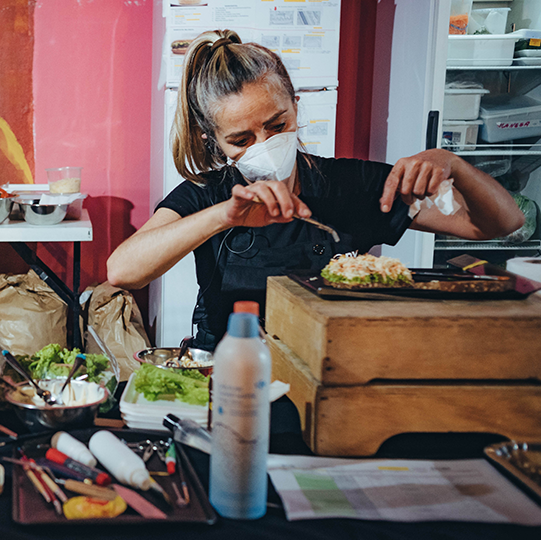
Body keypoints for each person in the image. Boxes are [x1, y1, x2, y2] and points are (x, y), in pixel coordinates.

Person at [107, 30, 523, 351]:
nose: (264, 147)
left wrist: (455, 166)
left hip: (335, 360)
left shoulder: (354, 186)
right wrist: (222, 218)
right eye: (241, 140)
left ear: (296, 106)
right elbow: (123, 270)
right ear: (213, 141)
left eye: (276, 125)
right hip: (231, 368)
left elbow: (499, 223)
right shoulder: (207, 195)